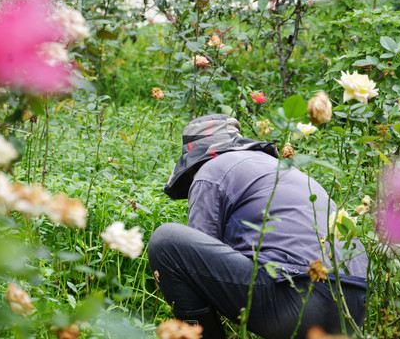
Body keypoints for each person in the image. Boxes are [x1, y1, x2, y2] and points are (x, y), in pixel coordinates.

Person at [148, 114, 368, 339]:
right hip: (355, 303)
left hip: (298, 298)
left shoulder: (210, 170)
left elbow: (194, 267)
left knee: (166, 242)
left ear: (196, 160)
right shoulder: (277, 167)